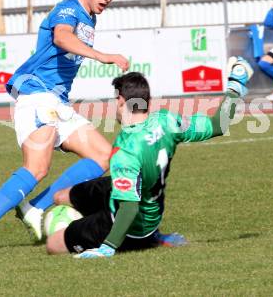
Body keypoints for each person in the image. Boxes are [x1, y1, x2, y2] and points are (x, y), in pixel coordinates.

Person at [0, 0, 130, 253]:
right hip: (37, 93)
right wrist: (101, 56)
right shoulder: (68, 8)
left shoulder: (90, 18)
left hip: (57, 100)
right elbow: (62, 38)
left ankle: (36, 207)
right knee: (37, 168)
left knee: (105, 156)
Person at [45, 58, 253, 258]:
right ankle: (140, 232)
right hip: (144, 201)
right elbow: (219, 125)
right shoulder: (168, 121)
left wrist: (107, 247)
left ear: (121, 101)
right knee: (61, 196)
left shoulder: (125, 150)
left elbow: (129, 207)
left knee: (52, 244)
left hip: (131, 227)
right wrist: (235, 87)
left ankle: (147, 238)